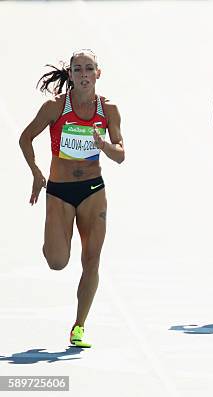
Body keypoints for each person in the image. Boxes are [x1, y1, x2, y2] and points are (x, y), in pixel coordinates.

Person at [18, 49, 125, 347]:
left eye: (88, 69)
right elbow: (25, 137)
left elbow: (121, 155)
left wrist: (103, 144)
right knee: (57, 261)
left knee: (92, 261)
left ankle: (79, 326)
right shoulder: (55, 108)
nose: (83, 75)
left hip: (93, 191)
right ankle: (55, 235)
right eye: (77, 69)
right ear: (70, 75)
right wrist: (37, 173)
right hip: (60, 192)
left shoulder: (109, 110)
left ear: (98, 73)